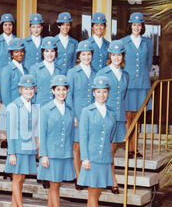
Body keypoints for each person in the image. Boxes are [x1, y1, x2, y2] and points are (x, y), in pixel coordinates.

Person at [78, 76, 116, 207]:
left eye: (104, 92)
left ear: (108, 93)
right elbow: (83, 136)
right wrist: (85, 157)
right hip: (91, 158)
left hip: (104, 158)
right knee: (93, 191)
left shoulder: (111, 113)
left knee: (97, 191)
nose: (101, 95)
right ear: (93, 93)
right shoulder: (87, 111)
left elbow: (111, 136)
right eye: (98, 92)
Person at [38, 75, 75, 207]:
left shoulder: (69, 110)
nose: (61, 92)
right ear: (53, 91)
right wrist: (43, 155)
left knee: (56, 184)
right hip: (51, 154)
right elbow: (42, 133)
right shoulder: (46, 109)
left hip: (64, 153)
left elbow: (70, 134)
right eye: (58, 89)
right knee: (54, 186)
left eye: (64, 89)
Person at [5, 75, 39, 207]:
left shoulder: (34, 106)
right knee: (17, 179)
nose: (28, 91)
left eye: (31, 88)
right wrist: (11, 152)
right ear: (20, 90)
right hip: (18, 149)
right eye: (26, 89)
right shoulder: (13, 106)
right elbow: (10, 130)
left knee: (22, 179)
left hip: (29, 148)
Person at [96, 40, 129, 194]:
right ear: (110, 55)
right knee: (107, 150)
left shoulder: (125, 75)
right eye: (114, 55)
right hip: (106, 116)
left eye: (119, 55)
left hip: (119, 118)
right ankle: (112, 181)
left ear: (123, 56)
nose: (117, 58)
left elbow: (123, 97)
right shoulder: (103, 72)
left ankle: (107, 178)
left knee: (112, 150)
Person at [121, 12, 153, 158]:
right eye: (134, 25)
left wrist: (142, 77)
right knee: (128, 116)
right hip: (128, 84)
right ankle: (129, 148)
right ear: (130, 26)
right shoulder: (123, 42)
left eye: (139, 25)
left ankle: (135, 147)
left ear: (142, 27)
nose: (137, 27)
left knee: (138, 117)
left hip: (142, 84)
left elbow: (149, 63)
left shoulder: (148, 42)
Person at [66, 40, 96, 190]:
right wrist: (73, 115)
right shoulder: (72, 72)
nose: (86, 57)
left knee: (89, 146)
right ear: (79, 56)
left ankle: (87, 175)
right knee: (76, 147)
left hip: (92, 116)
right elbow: (68, 95)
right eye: (83, 54)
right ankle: (78, 177)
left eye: (89, 54)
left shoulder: (96, 72)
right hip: (77, 114)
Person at [29, 36, 63, 106]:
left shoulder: (59, 70)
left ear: (55, 52)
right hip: (40, 106)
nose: (49, 54)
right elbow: (31, 93)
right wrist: (35, 112)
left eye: (52, 51)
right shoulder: (35, 69)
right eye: (47, 51)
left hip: (56, 107)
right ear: (43, 53)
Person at [0, 38, 28, 107]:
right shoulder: (7, 70)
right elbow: (5, 94)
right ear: (11, 54)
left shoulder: (25, 70)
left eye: (22, 51)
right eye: (16, 52)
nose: (20, 54)